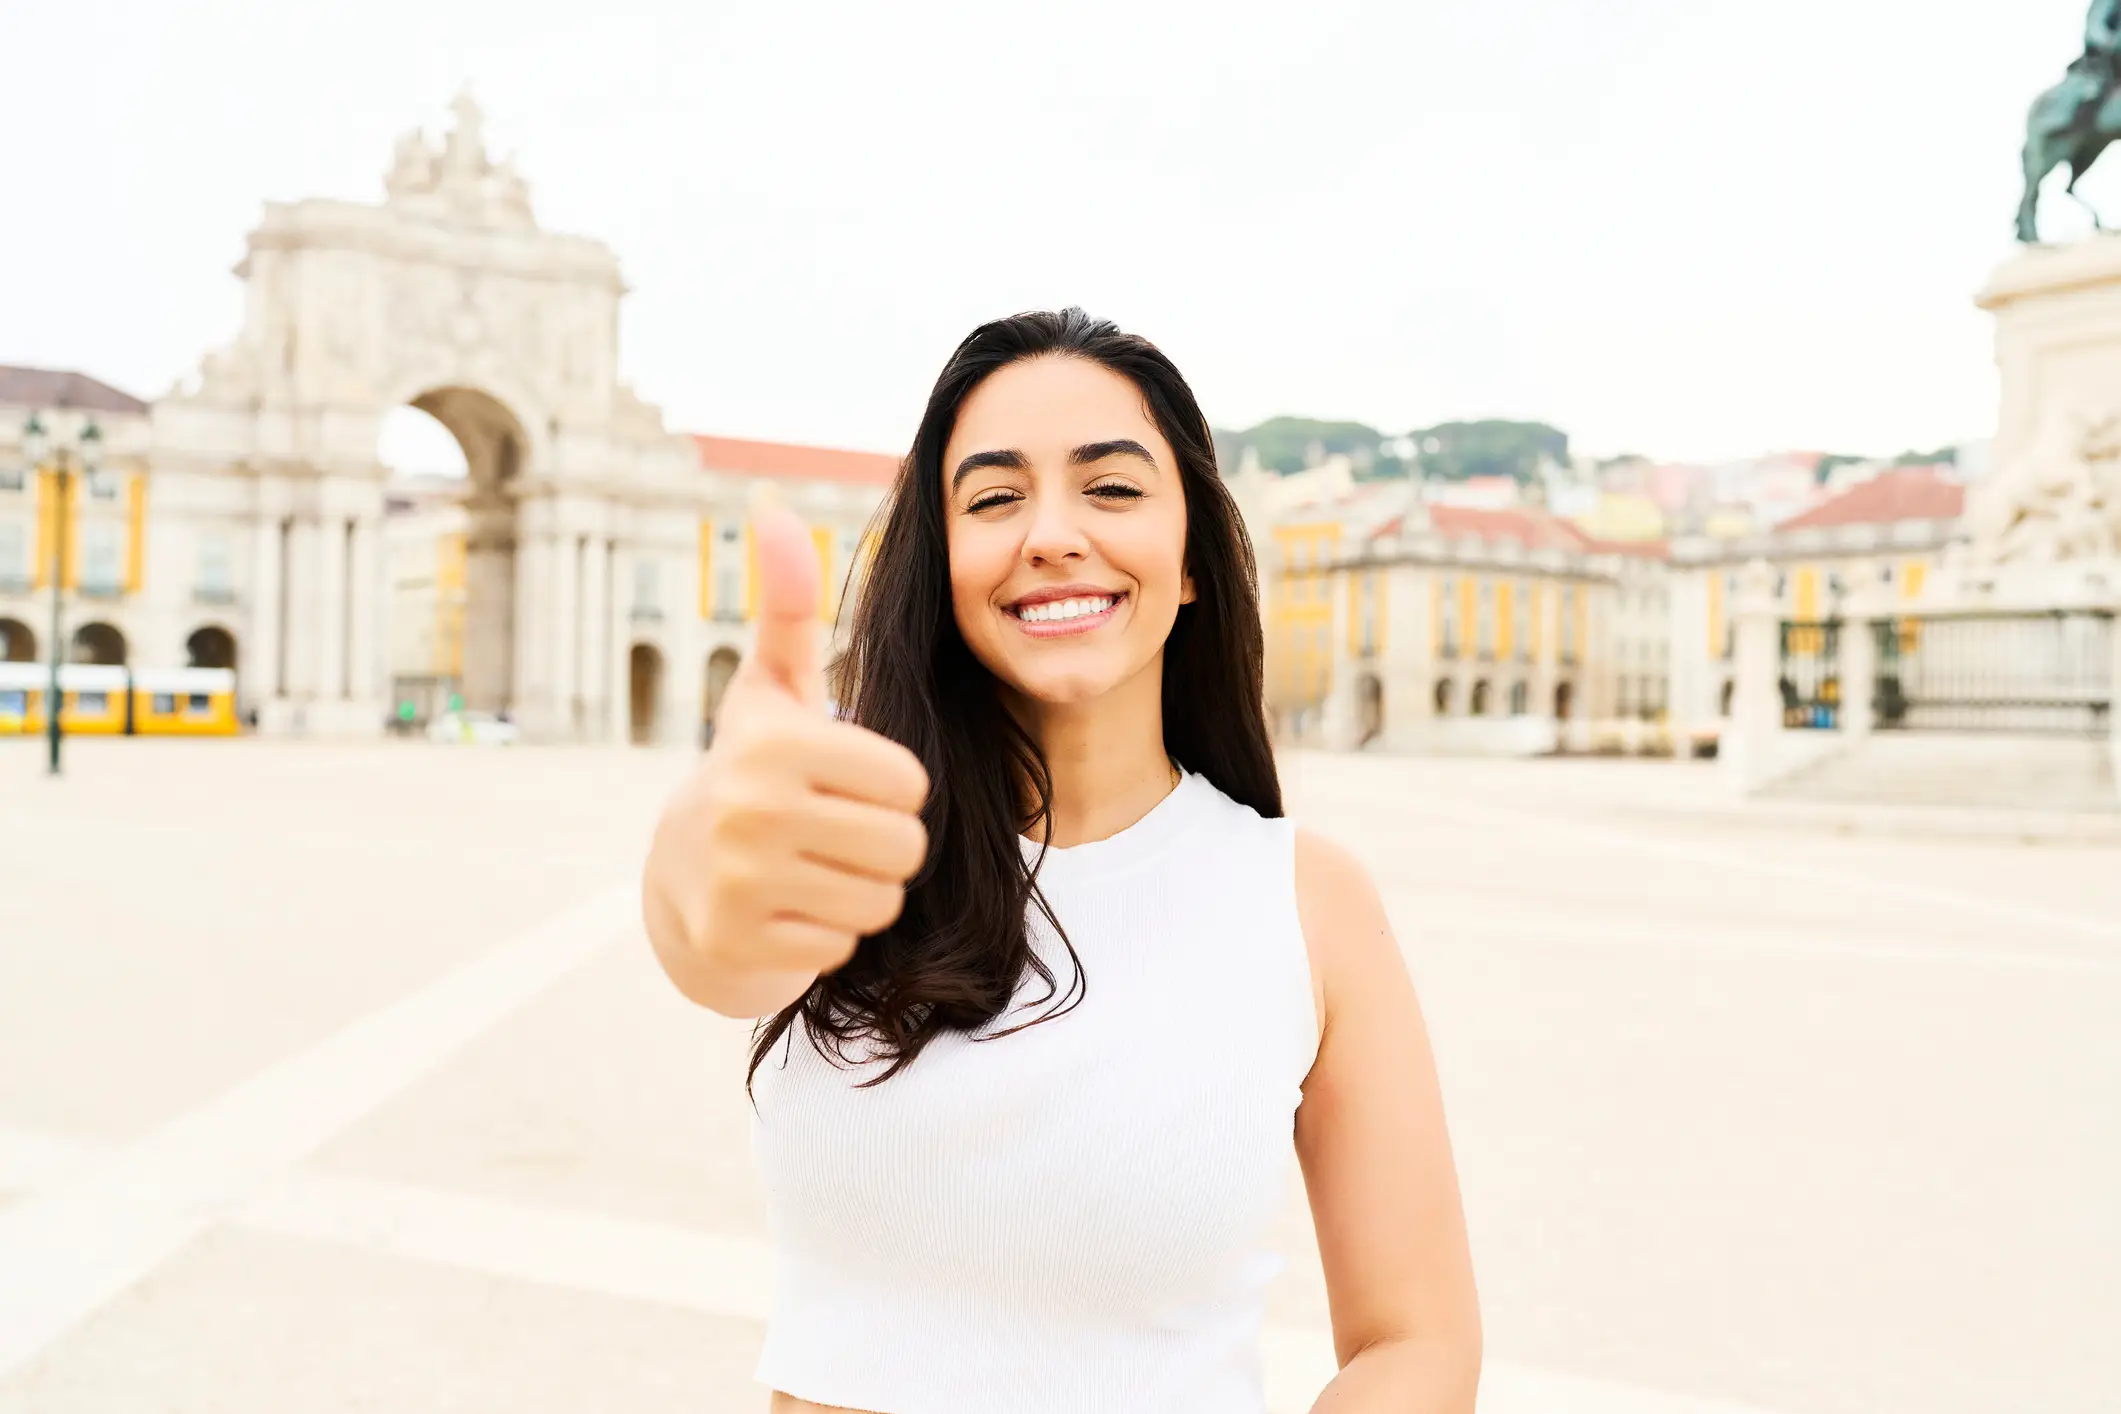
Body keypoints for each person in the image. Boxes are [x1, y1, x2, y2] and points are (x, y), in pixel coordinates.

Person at [643, 309, 1480, 1413]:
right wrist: (703, 850)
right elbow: (710, 931)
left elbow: (1416, 1338)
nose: (1051, 532)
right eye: (993, 497)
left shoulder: (1306, 899)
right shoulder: (851, 845)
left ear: (1192, 566)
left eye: (1114, 489)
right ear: (940, 566)